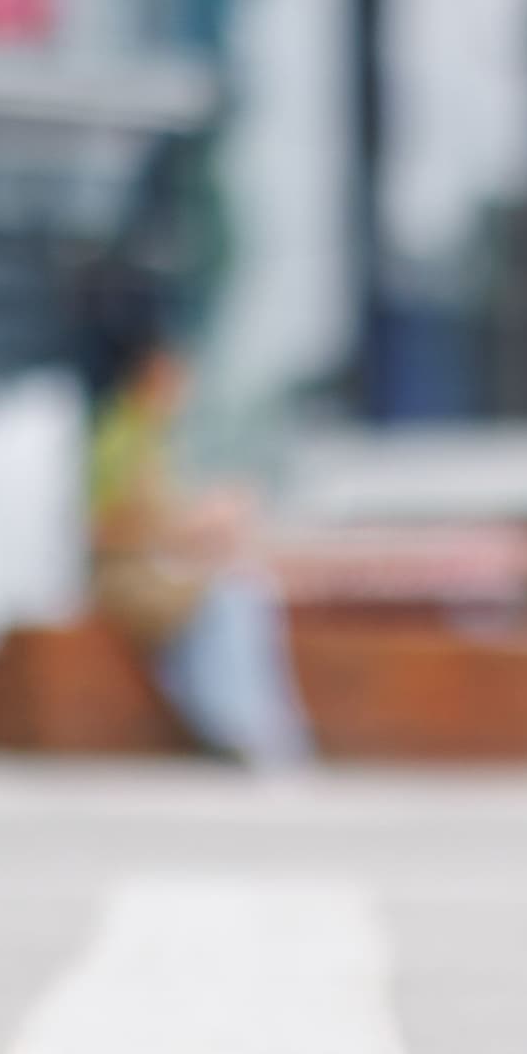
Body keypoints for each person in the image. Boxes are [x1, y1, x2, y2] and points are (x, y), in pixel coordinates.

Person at [84, 312, 314, 771]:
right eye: (175, 372)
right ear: (151, 371)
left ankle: (245, 722)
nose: (183, 385)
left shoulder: (152, 435)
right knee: (231, 600)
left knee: (238, 593)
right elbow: (107, 524)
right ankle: (240, 726)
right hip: (128, 579)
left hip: (153, 572)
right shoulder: (120, 434)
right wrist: (193, 527)